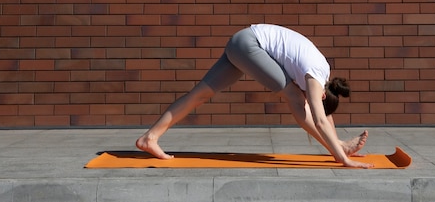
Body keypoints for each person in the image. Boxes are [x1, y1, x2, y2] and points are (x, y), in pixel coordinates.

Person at [136, 24, 372, 168]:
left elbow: (324, 117)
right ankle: (337, 150)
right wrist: (343, 157)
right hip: (250, 44)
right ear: (321, 95)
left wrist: (341, 144)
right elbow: (319, 120)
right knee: (294, 97)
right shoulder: (315, 75)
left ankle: (150, 138)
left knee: (199, 95)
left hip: (242, 43)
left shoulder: (323, 78)